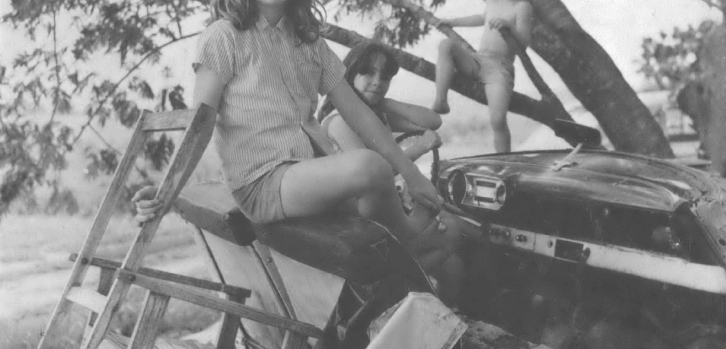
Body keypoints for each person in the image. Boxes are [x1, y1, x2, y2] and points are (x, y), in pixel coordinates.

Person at [134, 0, 450, 267]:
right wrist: (167, 191)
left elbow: (357, 112)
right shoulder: (224, 36)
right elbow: (199, 125)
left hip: (302, 173)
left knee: (383, 211)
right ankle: (410, 246)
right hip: (260, 182)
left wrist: (412, 174)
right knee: (369, 167)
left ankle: (393, 261)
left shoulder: (309, 42)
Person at [317, 41, 475, 303]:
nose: (378, 81)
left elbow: (432, 120)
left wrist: (383, 101)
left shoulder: (376, 114)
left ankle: (444, 315)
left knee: (453, 267)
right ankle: (388, 288)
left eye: (385, 77)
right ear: (349, 74)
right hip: (360, 217)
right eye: (368, 73)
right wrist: (421, 147)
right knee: (454, 232)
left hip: (386, 208)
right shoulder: (338, 121)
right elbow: (376, 170)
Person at [431, 0, 533, 152]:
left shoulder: (522, 6)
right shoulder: (493, 2)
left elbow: (524, 44)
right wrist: (453, 22)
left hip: (500, 68)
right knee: (445, 45)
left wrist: (509, 26)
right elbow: (481, 18)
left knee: (498, 120)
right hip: (479, 60)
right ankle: (441, 100)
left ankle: (503, 163)